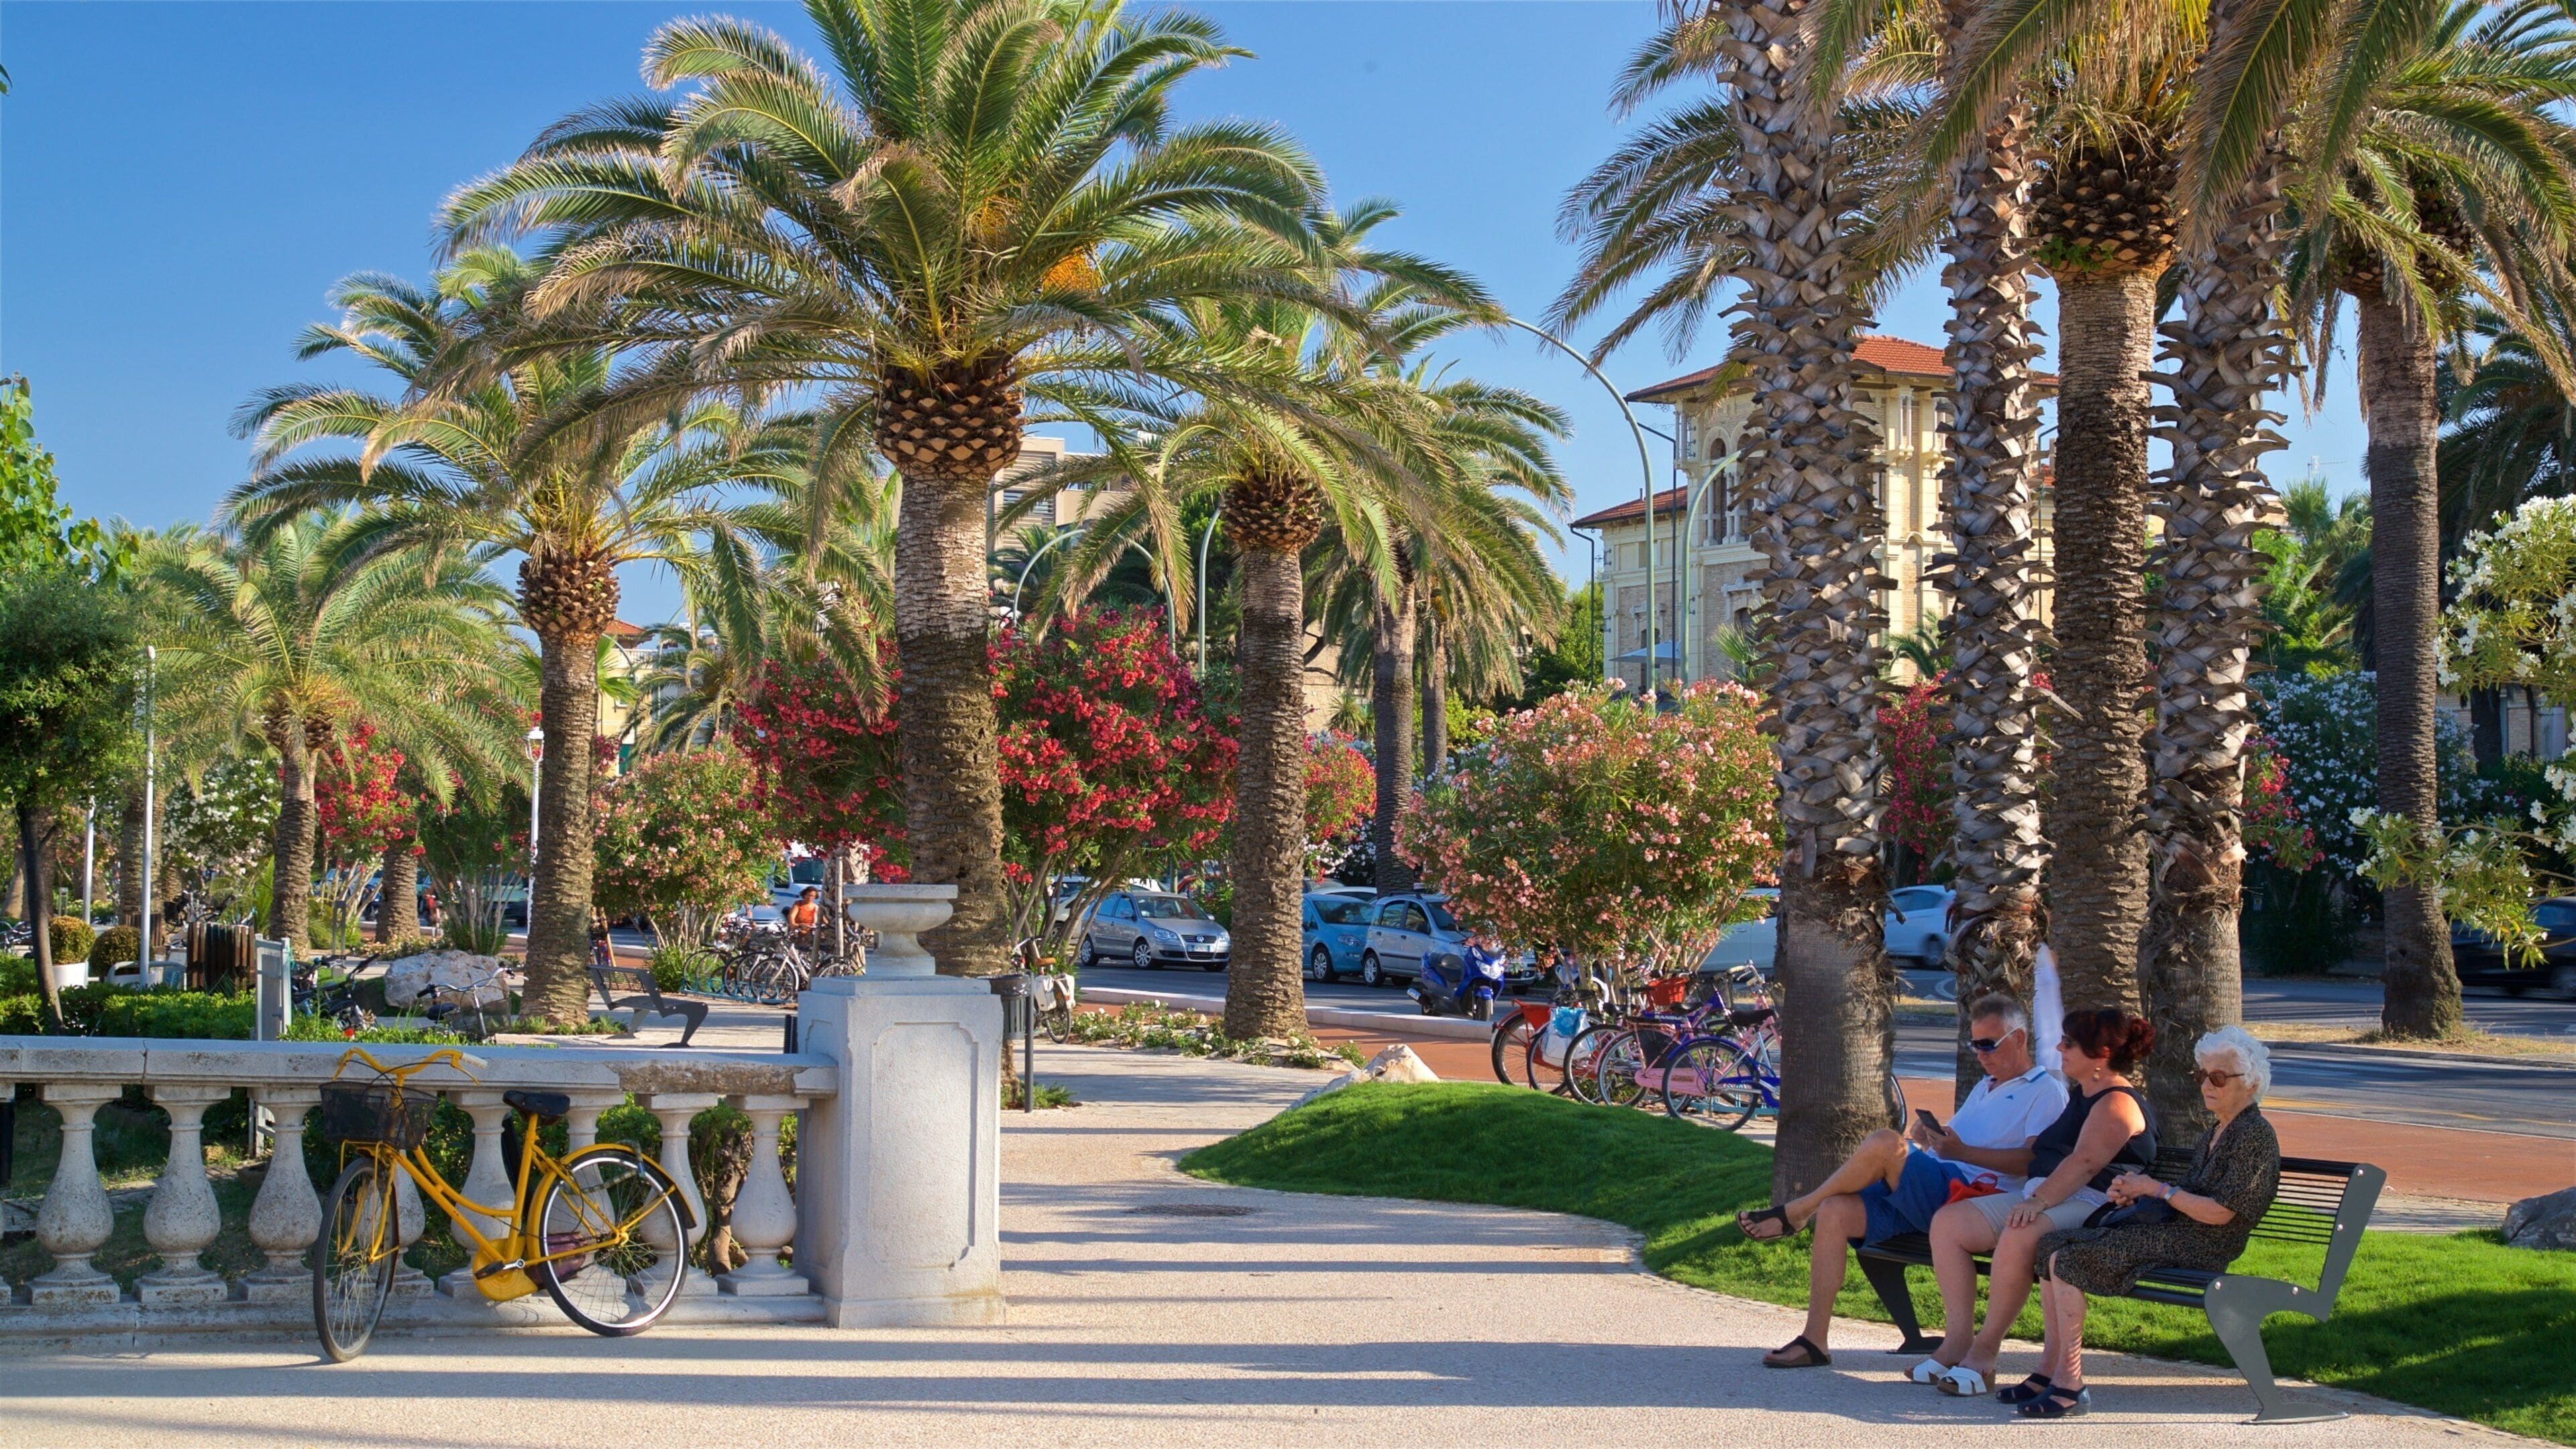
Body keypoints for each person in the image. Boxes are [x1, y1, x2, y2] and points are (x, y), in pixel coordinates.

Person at [1741, 995, 2068, 1368]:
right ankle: (1815, 1340)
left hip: (1975, 1198)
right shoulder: (1985, 1086)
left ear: (2020, 1039)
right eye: (1973, 1045)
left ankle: (1798, 1211)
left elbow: (2033, 1161)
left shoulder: (2045, 1090)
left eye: (1988, 1044)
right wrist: (1930, 1138)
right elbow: (1954, 1143)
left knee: (1885, 1143)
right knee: (1836, 1210)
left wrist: (1960, 1153)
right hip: (1939, 1188)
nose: (1980, 1054)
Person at [2006, 1026, 2282, 1417]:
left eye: (2218, 1077)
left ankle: (2070, 1385)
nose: (2207, 1084)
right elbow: (2184, 1191)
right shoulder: (2217, 1131)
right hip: (2181, 1231)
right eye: (2201, 1075)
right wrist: (2135, 1190)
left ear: (2250, 1083)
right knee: (2052, 1244)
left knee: (2068, 1260)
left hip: (2207, 1242)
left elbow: (2222, 1212)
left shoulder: (2254, 1135)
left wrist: (2158, 1189)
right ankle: (2051, 1370)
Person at [1919, 1007, 2159, 1396]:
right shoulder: (2086, 1095)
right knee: (1950, 1223)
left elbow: (2084, 1164)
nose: (2058, 1047)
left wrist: (2038, 1201)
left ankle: (1984, 1355)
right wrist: (2037, 1197)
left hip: (2097, 1203)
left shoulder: (2118, 1102)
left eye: (2070, 1043)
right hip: (2050, 1194)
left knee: (2019, 1229)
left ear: (2100, 1054)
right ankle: (1957, 1342)